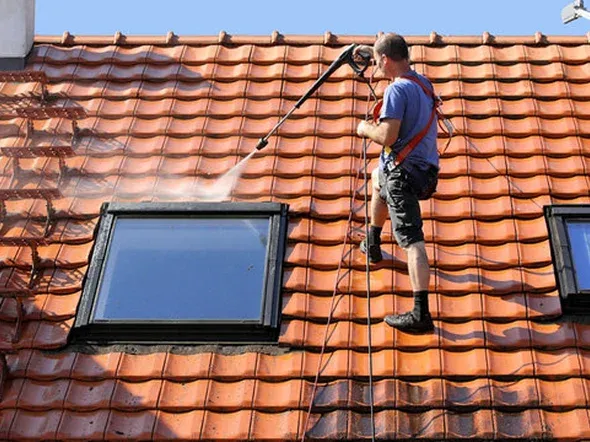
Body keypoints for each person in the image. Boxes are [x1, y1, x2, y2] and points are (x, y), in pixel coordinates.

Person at [355, 33, 439, 333]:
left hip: (405, 175)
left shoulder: (396, 90)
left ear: (387, 60)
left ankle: (421, 313)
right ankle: (373, 242)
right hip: (426, 171)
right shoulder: (423, 83)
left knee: (412, 240)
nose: (375, 66)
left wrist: (365, 128)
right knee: (379, 177)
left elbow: (387, 137)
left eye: (378, 61)